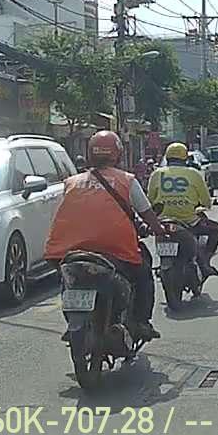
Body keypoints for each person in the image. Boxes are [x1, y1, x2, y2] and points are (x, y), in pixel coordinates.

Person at [44, 131, 163, 341]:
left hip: (72, 251)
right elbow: (146, 212)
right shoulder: (127, 180)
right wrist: (159, 230)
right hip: (115, 251)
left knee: (68, 280)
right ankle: (142, 321)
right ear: (118, 154)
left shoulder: (71, 182)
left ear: (90, 153)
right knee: (144, 270)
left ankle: (72, 324)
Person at [147, 143, 218, 278]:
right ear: (185, 158)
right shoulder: (194, 174)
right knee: (215, 229)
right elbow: (206, 202)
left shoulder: (156, 174)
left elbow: (150, 200)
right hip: (188, 221)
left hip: (163, 223)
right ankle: (205, 263)